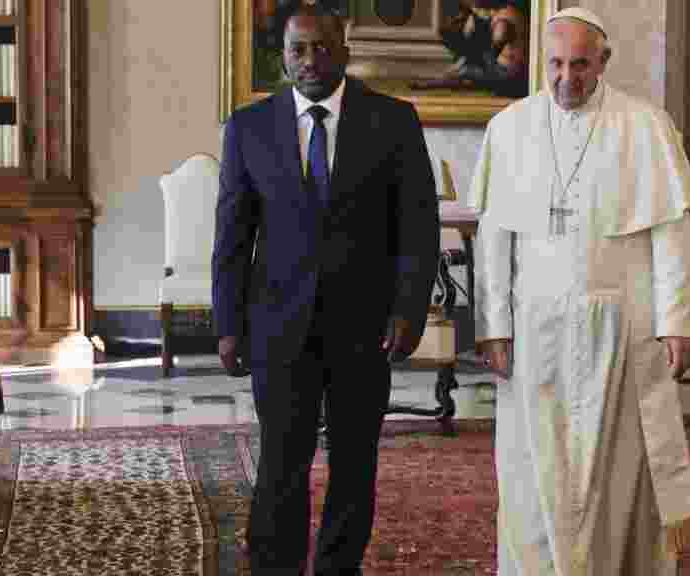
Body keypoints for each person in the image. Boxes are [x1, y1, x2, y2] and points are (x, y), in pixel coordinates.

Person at [470, 7, 690, 575]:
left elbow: (671, 233)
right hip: (535, 329)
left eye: (579, 64)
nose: (565, 78)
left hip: (621, 325)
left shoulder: (646, 126)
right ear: (539, 62)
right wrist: (492, 325)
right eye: (554, 63)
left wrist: (678, 319)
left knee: (618, 462)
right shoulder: (509, 129)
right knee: (536, 464)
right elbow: (494, 239)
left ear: (603, 61)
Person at [211, 1, 440, 574]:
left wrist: (409, 310)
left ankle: (340, 566)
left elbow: (418, 225)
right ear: (283, 56)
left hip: (363, 326)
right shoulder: (249, 127)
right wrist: (228, 324)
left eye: (321, 48)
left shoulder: (393, 120)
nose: (310, 60)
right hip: (278, 323)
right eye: (298, 49)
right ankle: (276, 564)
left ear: (344, 50)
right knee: (282, 461)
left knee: (355, 461)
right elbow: (232, 234)